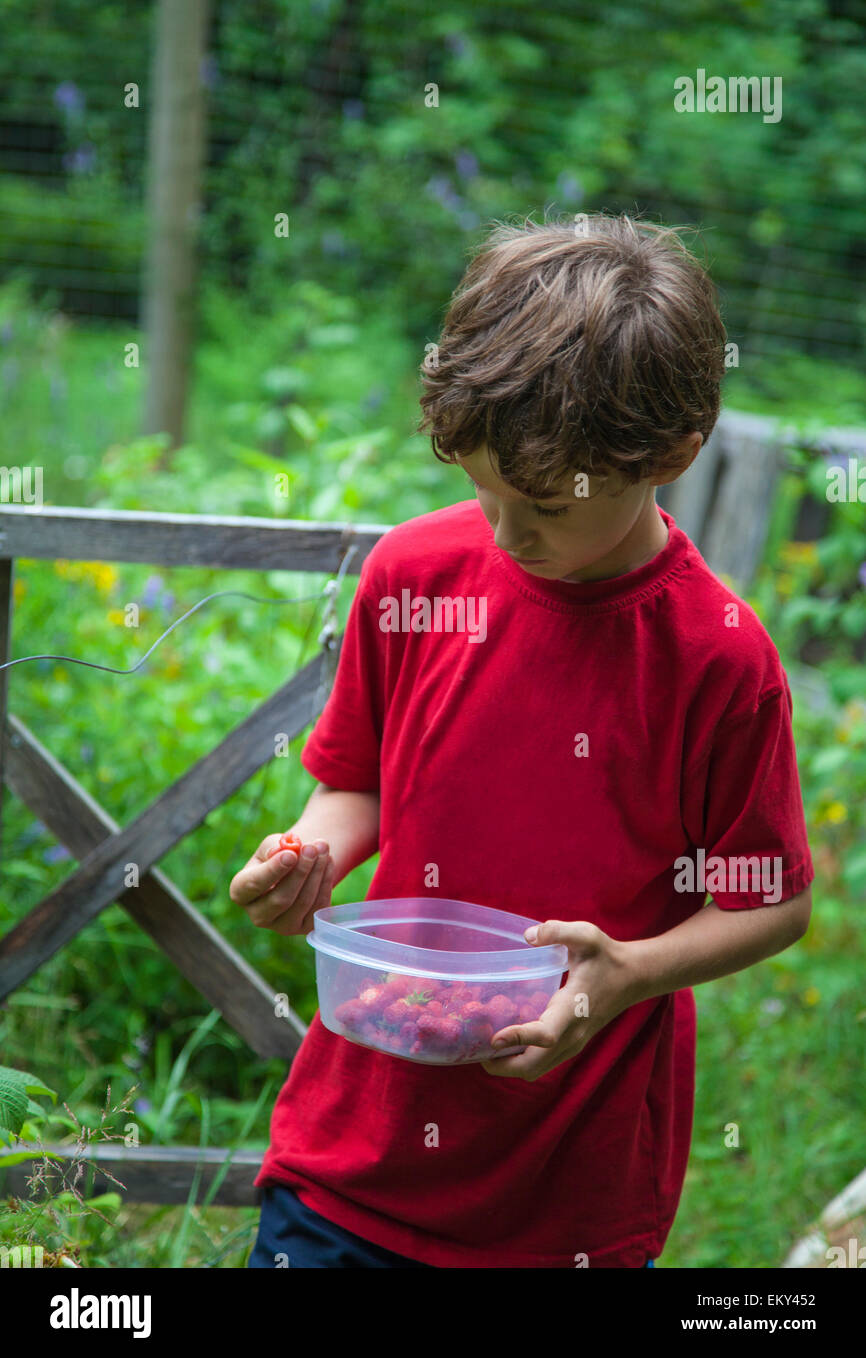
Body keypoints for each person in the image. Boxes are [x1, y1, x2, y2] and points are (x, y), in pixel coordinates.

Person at [231, 214, 814, 1269]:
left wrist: (627, 971)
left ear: (673, 453)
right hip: (352, 1149)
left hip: (563, 1195)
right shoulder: (411, 577)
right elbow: (353, 779)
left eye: (541, 504)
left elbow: (767, 900)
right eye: (477, 486)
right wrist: (313, 851)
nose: (502, 534)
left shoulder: (715, 660)